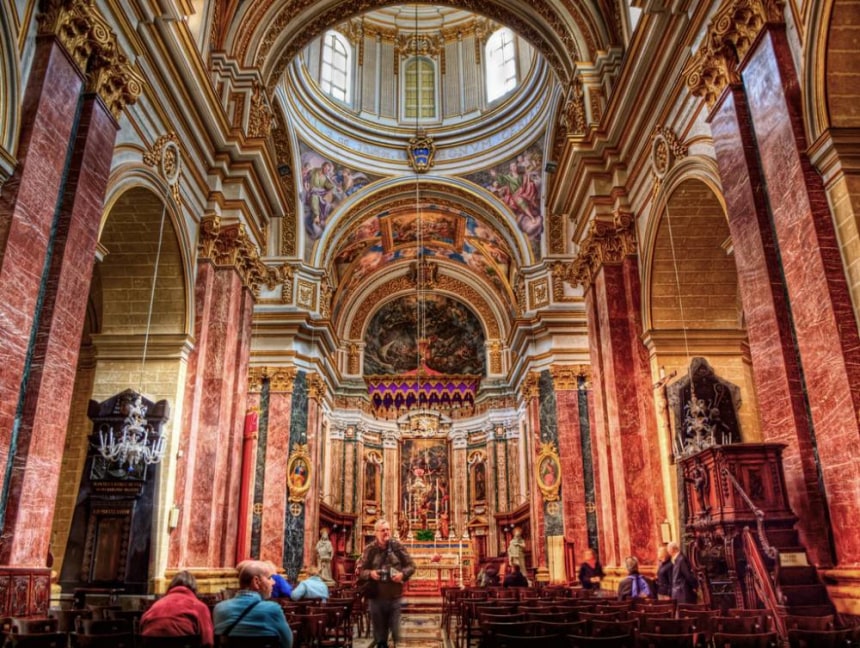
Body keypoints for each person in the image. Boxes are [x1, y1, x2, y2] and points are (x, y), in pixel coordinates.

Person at [358, 518, 416, 648]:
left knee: (396, 632)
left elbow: (411, 566)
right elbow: (361, 571)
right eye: (383, 530)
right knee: (380, 637)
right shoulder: (370, 549)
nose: (386, 532)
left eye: (388, 529)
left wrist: (402, 574)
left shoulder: (397, 546)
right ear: (376, 533)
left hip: (394, 596)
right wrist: (370, 573)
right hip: (376, 597)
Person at [212, 560, 293, 648]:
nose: (273, 582)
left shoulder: (219, 609)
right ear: (256, 581)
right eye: (269, 578)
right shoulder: (273, 610)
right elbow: (287, 643)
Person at [139, 570, 214, 647]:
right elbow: (208, 642)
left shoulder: (156, 605)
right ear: (194, 588)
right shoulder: (200, 607)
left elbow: (142, 626)